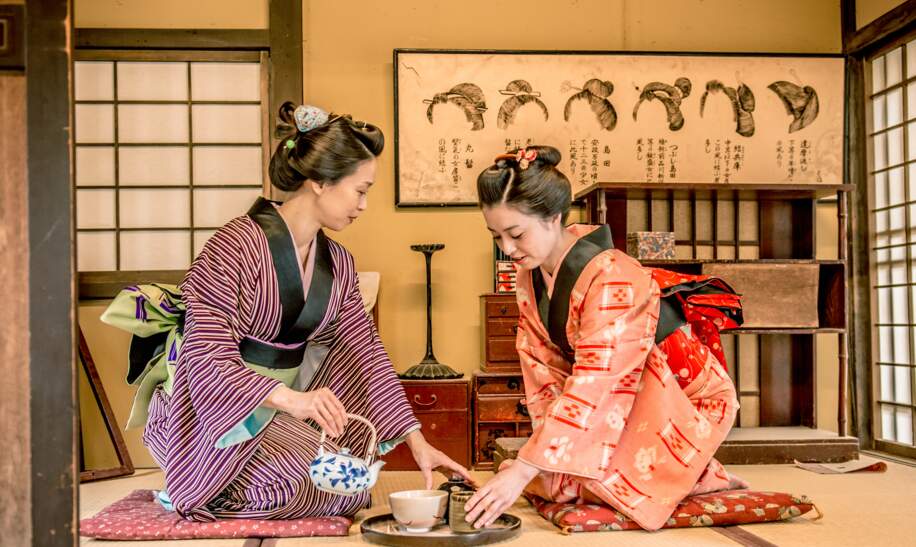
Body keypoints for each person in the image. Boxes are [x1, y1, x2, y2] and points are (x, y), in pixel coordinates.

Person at [103, 103, 471, 522]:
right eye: (361, 190)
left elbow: (365, 354)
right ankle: (197, 483)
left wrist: (417, 442)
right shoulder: (233, 246)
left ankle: (274, 462)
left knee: (349, 486)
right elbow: (204, 353)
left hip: (282, 408)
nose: (364, 205)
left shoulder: (339, 262)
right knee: (301, 485)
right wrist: (293, 400)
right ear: (319, 182)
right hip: (215, 414)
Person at [464, 145, 745, 531]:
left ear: (554, 216)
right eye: (496, 236)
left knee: (572, 477)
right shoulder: (530, 276)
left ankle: (699, 475)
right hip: (617, 396)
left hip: (677, 396)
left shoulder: (614, 274)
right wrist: (546, 452)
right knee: (555, 476)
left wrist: (528, 465)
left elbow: (601, 379)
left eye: (515, 234)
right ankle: (675, 473)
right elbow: (542, 367)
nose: (507, 249)